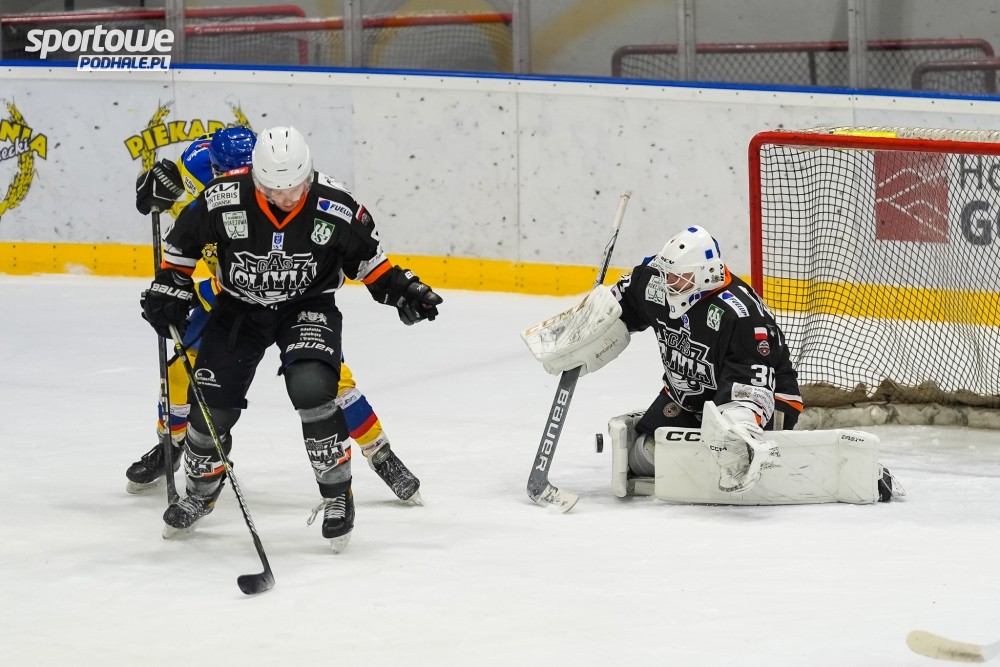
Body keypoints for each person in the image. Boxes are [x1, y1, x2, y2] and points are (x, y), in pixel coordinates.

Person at [137, 126, 442, 551]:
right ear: (254, 176)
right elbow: (182, 246)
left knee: (314, 386)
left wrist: (403, 290)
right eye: (273, 189)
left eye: (294, 188)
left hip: (307, 307)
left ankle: (338, 496)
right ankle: (201, 494)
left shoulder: (336, 205)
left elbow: (370, 264)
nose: (285, 198)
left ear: (309, 174)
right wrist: (170, 285)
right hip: (239, 307)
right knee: (209, 408)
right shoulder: (223, 196)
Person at [523, 225, 901, 501]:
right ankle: (717, 445)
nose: (670, 285)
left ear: (706, 275)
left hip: (763, 398)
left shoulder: (742, 315)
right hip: (689, 397)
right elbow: (621, 304)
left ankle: (838, 466)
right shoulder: (655, 282)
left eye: (681, 278)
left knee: (733, 451)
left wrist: (736, 428)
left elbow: (752, 384)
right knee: (641, 456)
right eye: (668, 275)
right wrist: (586, 325)